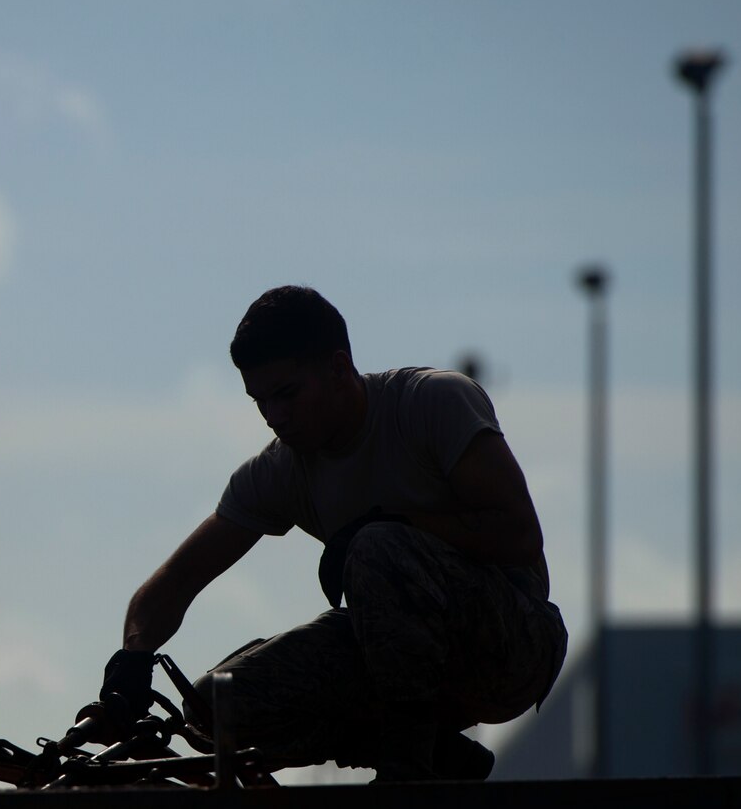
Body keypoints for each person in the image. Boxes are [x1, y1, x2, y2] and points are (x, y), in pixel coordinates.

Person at [89, 285, 567, 781]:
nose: (275, 417)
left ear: (339, 369)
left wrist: (398, 525)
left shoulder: (432, 402)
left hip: (511, 644)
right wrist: (133, 659)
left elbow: (520, 535)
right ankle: (440, 755)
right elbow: (173, 584)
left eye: (287, 394)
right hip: (392, 662)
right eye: (260, 401)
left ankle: (407, 776)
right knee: (215, 707)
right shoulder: (281, 470)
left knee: (376, 545)